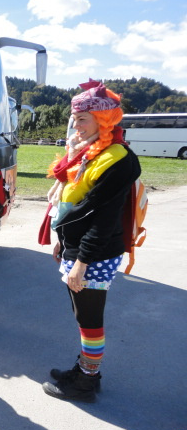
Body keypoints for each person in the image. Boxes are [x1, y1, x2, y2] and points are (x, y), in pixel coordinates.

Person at [40, 80, 141, 403]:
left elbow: (104, 219)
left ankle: (85, 383)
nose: (76, 125)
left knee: (90, 321)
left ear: (104, 120)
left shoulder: (117, 158)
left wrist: (81, 263)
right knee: (83, 318)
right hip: (80, 250)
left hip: (94, 255)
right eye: (74, 119)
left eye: (82, 119)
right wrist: (63, 241)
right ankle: (86, 370)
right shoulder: (89, 151)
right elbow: (73, 206)